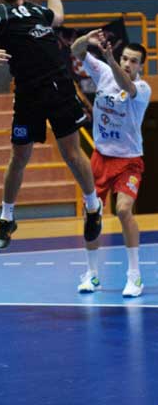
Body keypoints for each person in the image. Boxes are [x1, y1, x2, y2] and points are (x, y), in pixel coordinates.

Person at [0, 0, 103, 249]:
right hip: (28, 94)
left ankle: (93, 207)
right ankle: (7, 218)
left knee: (71, 152)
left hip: (59, 88)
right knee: (19, 157)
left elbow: (58, 15)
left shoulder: (38, 11)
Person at [70, 31, 151, 297]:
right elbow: (76, 51)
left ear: (141, 66)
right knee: (91, 215)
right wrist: (87, 38)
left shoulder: (143, 89)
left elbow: (126, 86)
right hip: (100, 158)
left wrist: (109, 58)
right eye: (125, 58)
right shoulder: (103, 72)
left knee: (124, 210)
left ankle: (134, 276)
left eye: (134, 61)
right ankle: (92, 274)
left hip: (128, 161)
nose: (128, 63)